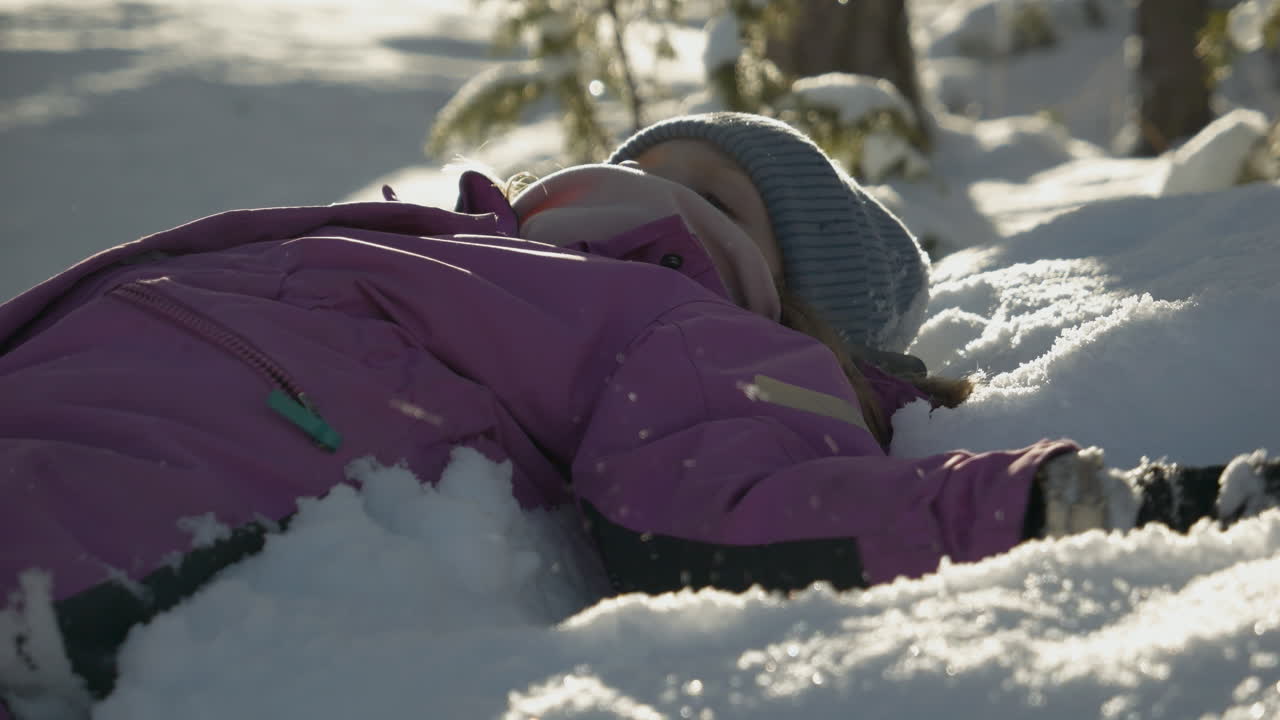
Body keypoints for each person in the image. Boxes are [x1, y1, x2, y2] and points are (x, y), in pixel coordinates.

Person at [0, 113, 1276, 714]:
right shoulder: (451, 246)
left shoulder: (678, 324)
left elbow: (729, 503)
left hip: (115, 509)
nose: (636, 178)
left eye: (707, 191)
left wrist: (1086, 503)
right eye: (639, 152)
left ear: (783, 303)